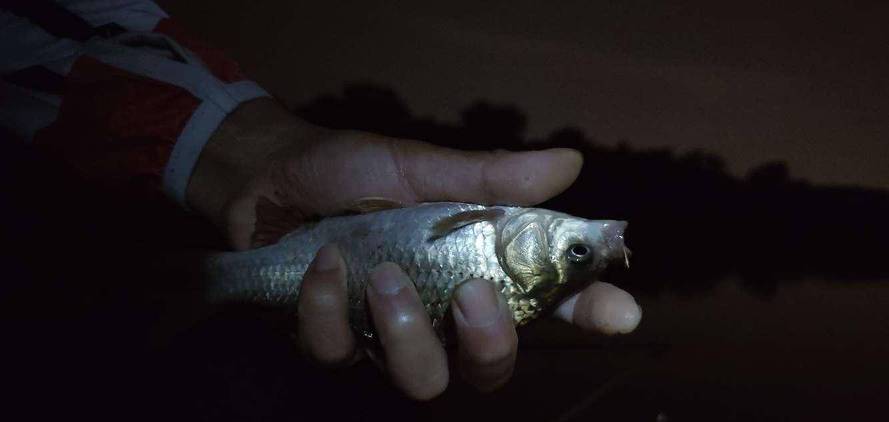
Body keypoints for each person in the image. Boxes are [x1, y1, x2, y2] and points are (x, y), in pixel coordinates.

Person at [0, 0, 641, 401]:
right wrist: (258, 159)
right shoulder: (496, 227)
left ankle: (175, 291)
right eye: (579, 248)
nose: (588, 234)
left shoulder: (500, 236)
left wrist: (247, 160)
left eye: (577, 248)